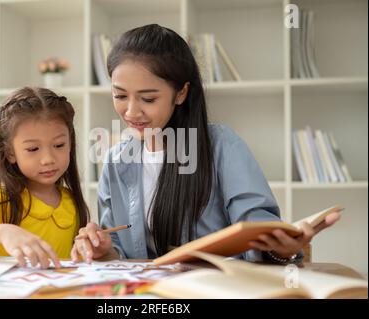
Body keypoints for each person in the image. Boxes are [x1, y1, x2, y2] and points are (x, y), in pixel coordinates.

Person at [71, 24, 340, 264]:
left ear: (181, 93)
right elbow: (120, 253)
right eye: (120, 95)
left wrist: (280, 247)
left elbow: (257, 227)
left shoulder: (222, 146)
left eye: (148, 99)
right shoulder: (116, 162)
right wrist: (103, 250)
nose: (130, 112)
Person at [0, 87, 89, 269]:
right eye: (33, 149)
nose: (48, 159)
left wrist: (94, 246)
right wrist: (3, 232)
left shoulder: (70, 201)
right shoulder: (0, 199)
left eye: (59, 145)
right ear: (10, 153)